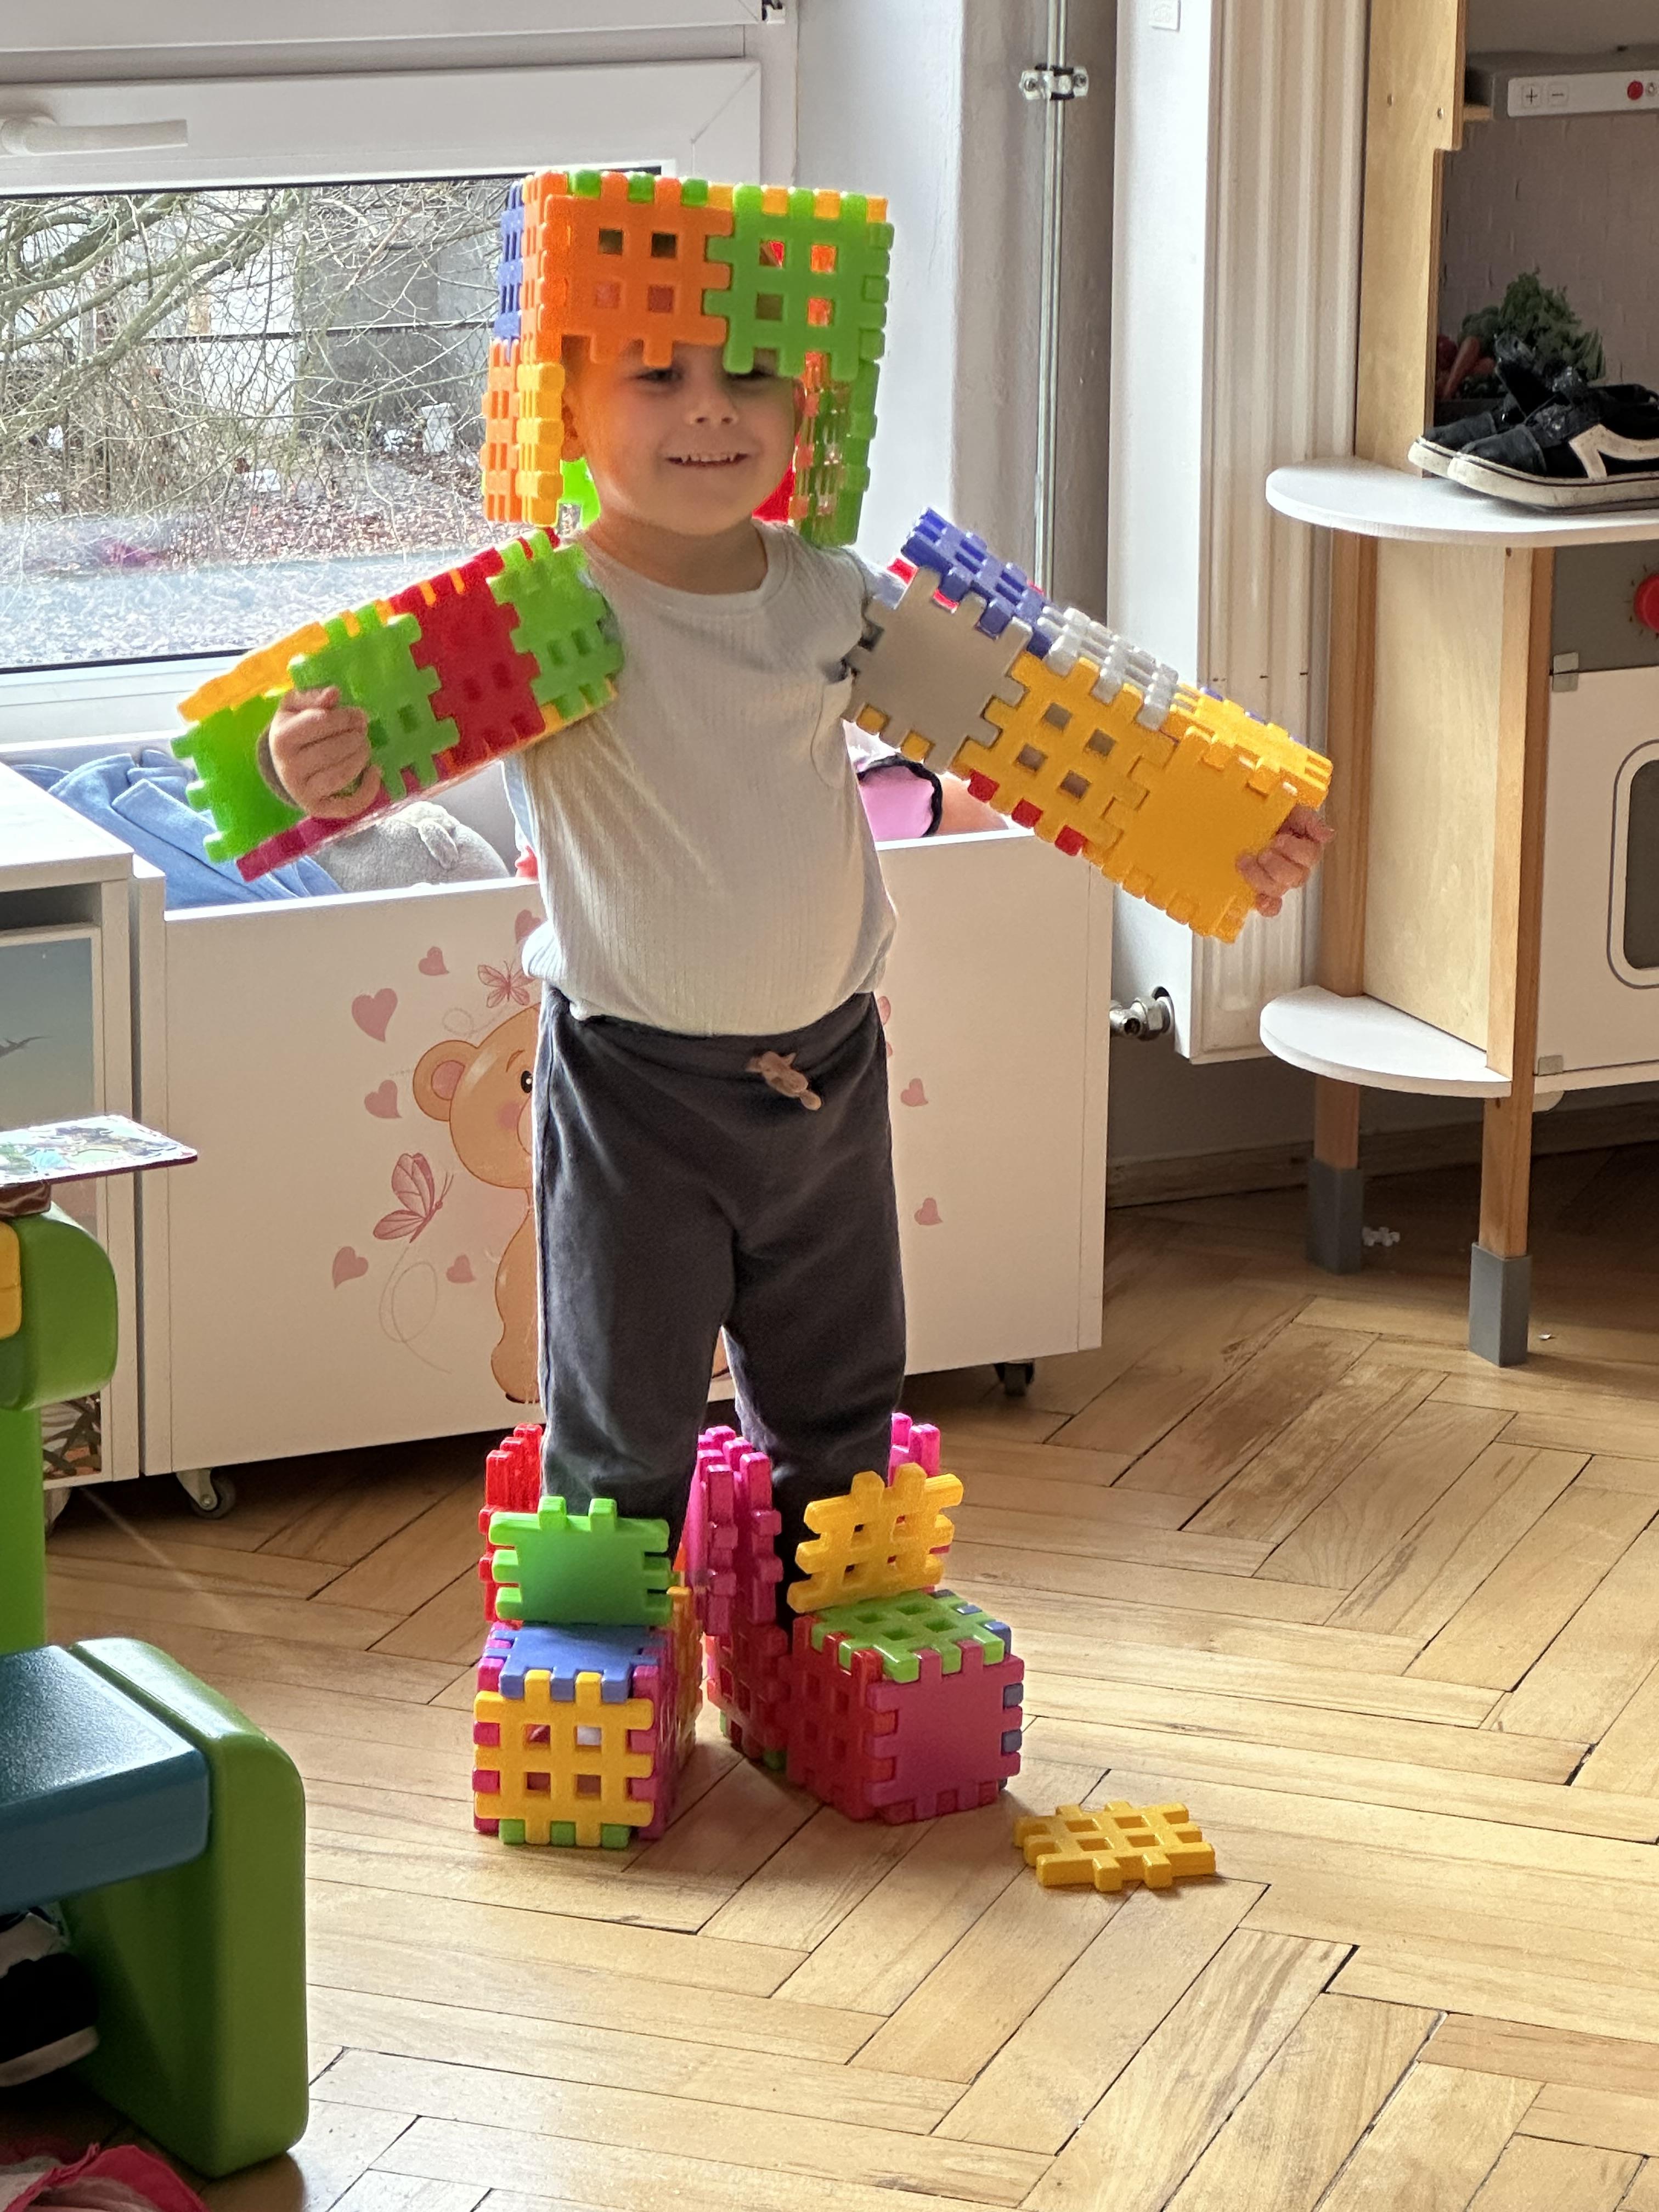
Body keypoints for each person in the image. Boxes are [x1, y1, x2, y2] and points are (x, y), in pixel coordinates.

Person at [265, 334, 1330, 1587]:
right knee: (622, 1409)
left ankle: (834, 1620)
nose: (711, 409)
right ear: (569, 408)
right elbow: (354, 759)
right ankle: (606, 1638)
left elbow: (1059, 727)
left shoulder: (828, 596)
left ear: (805, 401)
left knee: (841, 1391)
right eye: (657, 373)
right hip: (630, 1094)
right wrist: (307, 761)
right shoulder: (543, 610)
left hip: (826, 1075)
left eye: (751, 373)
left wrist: (1232, 831)